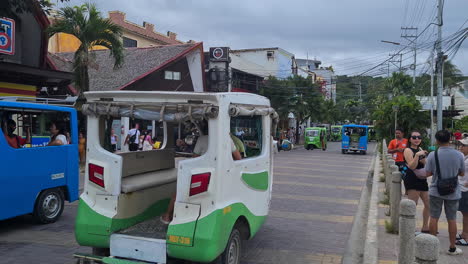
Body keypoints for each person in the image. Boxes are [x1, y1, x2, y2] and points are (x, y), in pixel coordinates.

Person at [161, 129, 242, 224]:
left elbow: (195, 159)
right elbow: (238, 158)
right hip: (221, 176)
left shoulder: (202, 139)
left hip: (203, 175)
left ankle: (167, 216)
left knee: (179, 192)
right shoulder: (227, 139)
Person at [425, 130, 465, 255]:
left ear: (437, 140)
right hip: (453, 191)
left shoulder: (433, 154)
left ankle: (433, 247)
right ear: (450, 139)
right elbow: (462, 173)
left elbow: (428, 173)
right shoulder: (459, 155)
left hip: (436, 190)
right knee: (452, 219)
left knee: (434, 217)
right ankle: (452, 247)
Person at [402, 131, 429, 233]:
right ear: (410, 139)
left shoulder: (420, 150)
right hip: (412, 179)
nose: (417, 139)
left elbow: (426, 165)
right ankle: (410, 228)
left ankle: (425, 227)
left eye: (419, 137)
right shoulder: (408, 150)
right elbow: (412, 166)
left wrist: (424, 159)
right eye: (414, 137)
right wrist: (417, 156)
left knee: (428, 203)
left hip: (422, 179)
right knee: (413, 205)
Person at [456, 138, 468, 246]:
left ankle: (466, 236)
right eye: (461, 145)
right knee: (464, 213)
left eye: (464, 145)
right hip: (462, 188)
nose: (461, 147)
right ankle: (464, 234)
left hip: (466, 189)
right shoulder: (464, 157)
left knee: (466, 214)